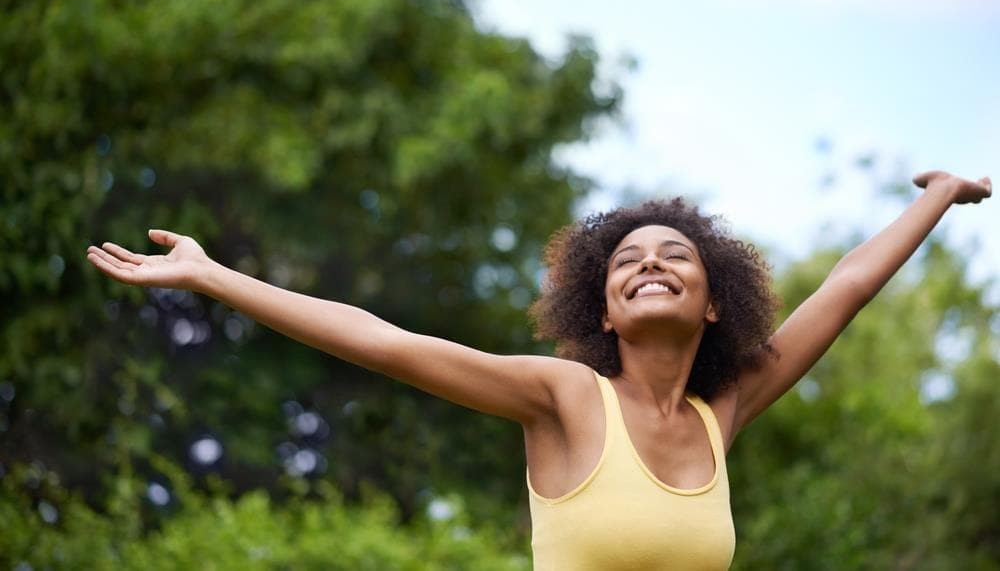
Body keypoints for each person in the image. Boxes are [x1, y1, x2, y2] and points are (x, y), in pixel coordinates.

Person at [86, 170, 991, 570]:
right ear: (601, 310)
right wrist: (212, 275)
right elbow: (385, 341)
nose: (649, 263)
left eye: (675, 255)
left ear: (716, 302)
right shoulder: (565, 398)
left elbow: (846, 287)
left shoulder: (725, 410)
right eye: (627, 260)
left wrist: (939, 199)